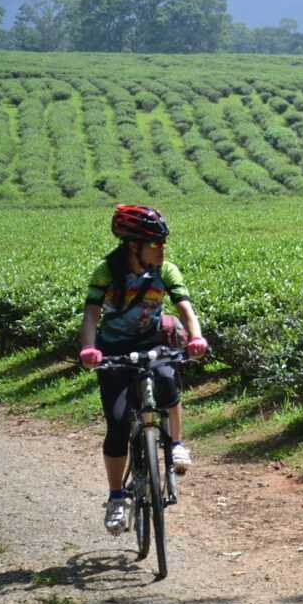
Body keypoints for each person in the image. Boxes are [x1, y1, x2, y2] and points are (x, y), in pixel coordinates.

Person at [78, 204, 208, 535]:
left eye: (163, 242)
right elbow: (92, 314)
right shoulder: (106, 272)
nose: (162, 249)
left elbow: (185, 308)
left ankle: (176, 443)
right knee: (119, 422)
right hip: (115, 350)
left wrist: (196, 337)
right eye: (155, 243)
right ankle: (117, 497)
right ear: (132, 245)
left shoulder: (167, 271)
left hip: (154, 341)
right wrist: (90, 349)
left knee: (168, 382)